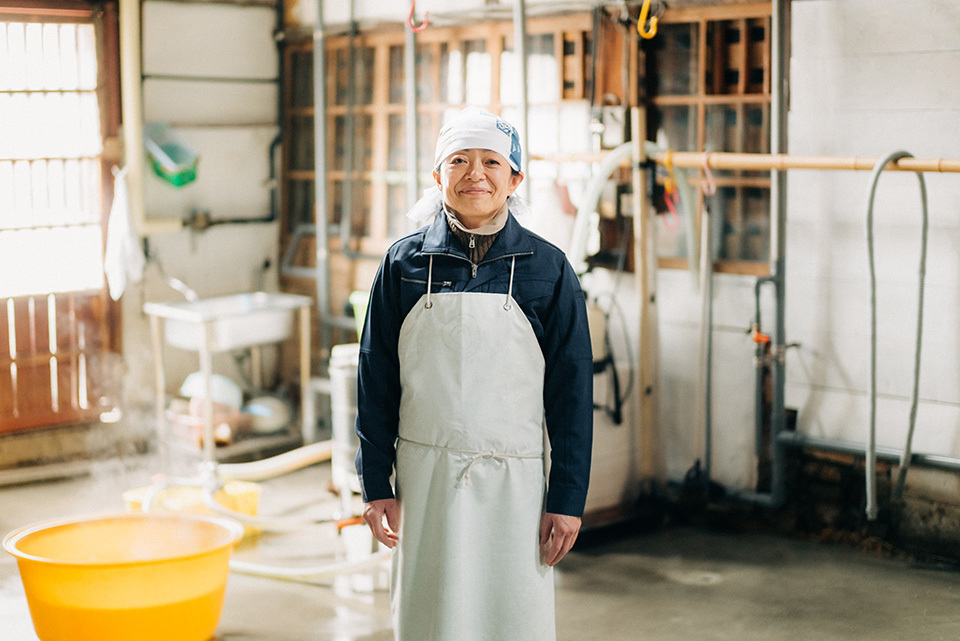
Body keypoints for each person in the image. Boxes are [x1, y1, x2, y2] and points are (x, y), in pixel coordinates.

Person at [355, 107, 593, 641]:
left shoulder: (548, 269)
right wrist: (374, 482)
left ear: (515, 178)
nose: (475, 175)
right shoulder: (403, 265)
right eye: (458, 160)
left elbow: (572, 392)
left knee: (512, 620)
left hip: (515, 483)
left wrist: (567, 499)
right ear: (438, 176)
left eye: (491, 161)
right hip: (425, 479)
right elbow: (375, 379)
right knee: (429, 617)